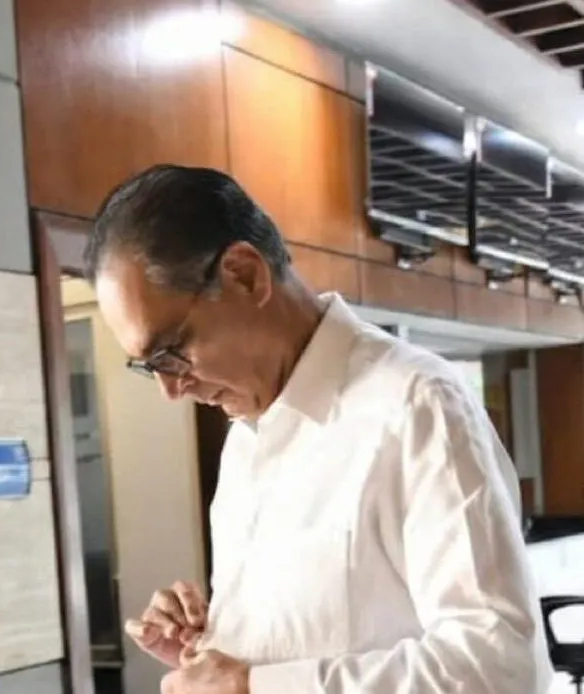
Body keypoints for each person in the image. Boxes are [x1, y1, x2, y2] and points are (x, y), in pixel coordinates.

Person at [84, 164, 553, 694]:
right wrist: (212, 650)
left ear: (245, 275)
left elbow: (497, 668)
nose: (170, 390)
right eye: (150, 366)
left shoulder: (416, 404)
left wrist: (253, 686)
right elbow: (308, 646)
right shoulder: (245, 439)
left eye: (171, 351)